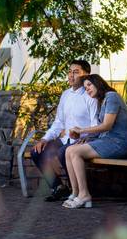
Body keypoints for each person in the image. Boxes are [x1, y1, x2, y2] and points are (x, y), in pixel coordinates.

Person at [30, 59, 98, 201]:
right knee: (37, 152)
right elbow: (58, 122)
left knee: (63, 152)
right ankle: (58, 187)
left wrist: (89, 136)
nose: (71, 75)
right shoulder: (65, 95)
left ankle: (78, 191)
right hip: (64, 139)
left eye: (76, 72)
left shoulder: (90, 95)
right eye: (69, 72)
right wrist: (45, 138)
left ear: (86, 75)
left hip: (81, 141)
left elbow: (95, 123)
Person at [63, 74, 127, 208]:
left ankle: (84, 194)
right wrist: (85, 137)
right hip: (107, 141)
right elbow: (102, 130)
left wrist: (81, 130)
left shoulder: (112, 97)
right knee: (69, 150)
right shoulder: (103, 100)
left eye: (89, 85)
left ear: (98, 83)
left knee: (75, 152)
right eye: (85, 87)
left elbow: (107, 126)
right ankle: (76, 192)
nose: (87, 89)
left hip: (118, 143)